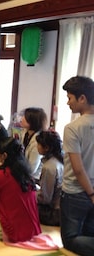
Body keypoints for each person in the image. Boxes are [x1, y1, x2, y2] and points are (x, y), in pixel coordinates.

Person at [60, 76, 94, 256]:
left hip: (76, 192)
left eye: (70, 98)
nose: (67, 102)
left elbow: (78, 168)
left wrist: (91, 194)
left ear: (82, 98)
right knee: (88, 235)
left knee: (70, 240)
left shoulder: (72, 128)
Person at [35, 130, 63, 226]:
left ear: (46, 148)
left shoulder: (49, 167)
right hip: (60, 210)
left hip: (53, 213)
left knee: (23, 202)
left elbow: (45, 199)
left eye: (38, 144)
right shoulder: (60, 161)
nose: (37, 146)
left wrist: (31, 194)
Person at [19, 107, 48, 181]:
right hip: (23, 172)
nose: (21, 119)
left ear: (32, 121)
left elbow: (32, 169)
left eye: (24, 117)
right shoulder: (24, 133)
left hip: (34, 178)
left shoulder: (38, 140)